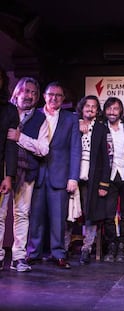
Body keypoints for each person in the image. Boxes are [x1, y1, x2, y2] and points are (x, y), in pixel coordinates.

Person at [27, 81, 81, 269]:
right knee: (35, 217)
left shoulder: (71, 118)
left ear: (63, 99)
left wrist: (73, 177)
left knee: (58, 219)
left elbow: (75, 149)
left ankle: (58, 253)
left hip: (60, 175)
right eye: (51, 94)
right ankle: (33, 253)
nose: (54, 98)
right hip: (36, 174)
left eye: (58, 95)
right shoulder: (35, 115)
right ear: (44, 96)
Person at [4, 77, 49, 272]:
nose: (29, 95)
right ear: (16, 92)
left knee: (22, 214)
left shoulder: (40, 119)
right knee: (0, 214)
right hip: (5, 170)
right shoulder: (5, 111)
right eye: (26, 91)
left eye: (33, 92)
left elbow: (43, 149)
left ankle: (18, 258)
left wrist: (19, 137)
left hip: (27, 172)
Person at [69, 95, 111, 265]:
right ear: (82, 107)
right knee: (69, 213)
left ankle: (87, 248)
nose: (90, 109)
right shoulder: (73, 123)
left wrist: (104, 183)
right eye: (87, 106)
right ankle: (64, 248)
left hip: (92, 177)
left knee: (90, 214)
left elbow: (105, 158)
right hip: (72, 175)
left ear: (97, 110)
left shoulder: (101, 129)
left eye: (94, 107)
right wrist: (77, 124)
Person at [102, 97, 124, 263]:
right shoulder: (101, 127)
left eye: (115, 109)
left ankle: (123, 246)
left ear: (121, 110)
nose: (112, 112)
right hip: (110, 176)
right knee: (108, 214)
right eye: (109, 109)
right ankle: (111, 245)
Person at [0, 88, 19, 271]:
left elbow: (10, 146)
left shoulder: (9, 110)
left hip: (1, 173)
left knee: (0, 216)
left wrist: (8, 176)